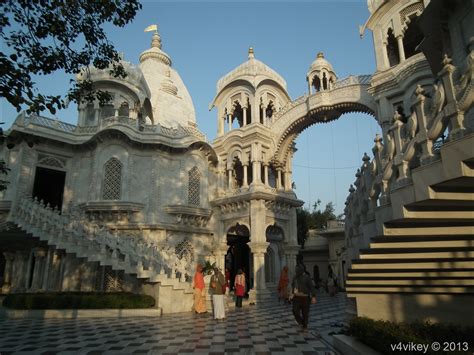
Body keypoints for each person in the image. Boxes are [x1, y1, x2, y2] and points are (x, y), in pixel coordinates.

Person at [289, 264, 317, 331]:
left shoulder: (307, 277)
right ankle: (300, 322)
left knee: (305, 313)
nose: (296, 271)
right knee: (295, 311)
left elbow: (311, 287)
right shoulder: (295, 277)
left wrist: (313, 297)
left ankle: (305, 326)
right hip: (296, 297)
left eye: (297, 270)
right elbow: (293, 287)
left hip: (305, 298)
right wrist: (291, 295)